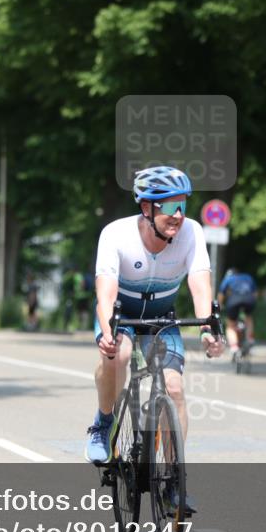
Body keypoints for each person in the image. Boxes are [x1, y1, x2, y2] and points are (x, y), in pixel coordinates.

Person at [87, 165, 224, 512]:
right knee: (118, 355)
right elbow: (105, 293)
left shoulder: (192, 232)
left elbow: (199, 283)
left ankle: (173, 479)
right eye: (170, 206)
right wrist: (108, 332)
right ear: (147, 208)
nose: (178, 215)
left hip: (162, 316)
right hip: (122, 314)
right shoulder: (116, 234)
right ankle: (103, 423)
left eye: (182, 205)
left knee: (174, 389)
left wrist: (208, 329)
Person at [217, 268, 258, 355]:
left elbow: (221, 293)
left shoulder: (228, 278)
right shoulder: (247, 277)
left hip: (234, 300)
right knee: (248, 318)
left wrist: (220, 305)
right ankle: (250, 338)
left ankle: (234, 348)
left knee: (230, 326)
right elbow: (255, 293)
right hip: (249, 299)